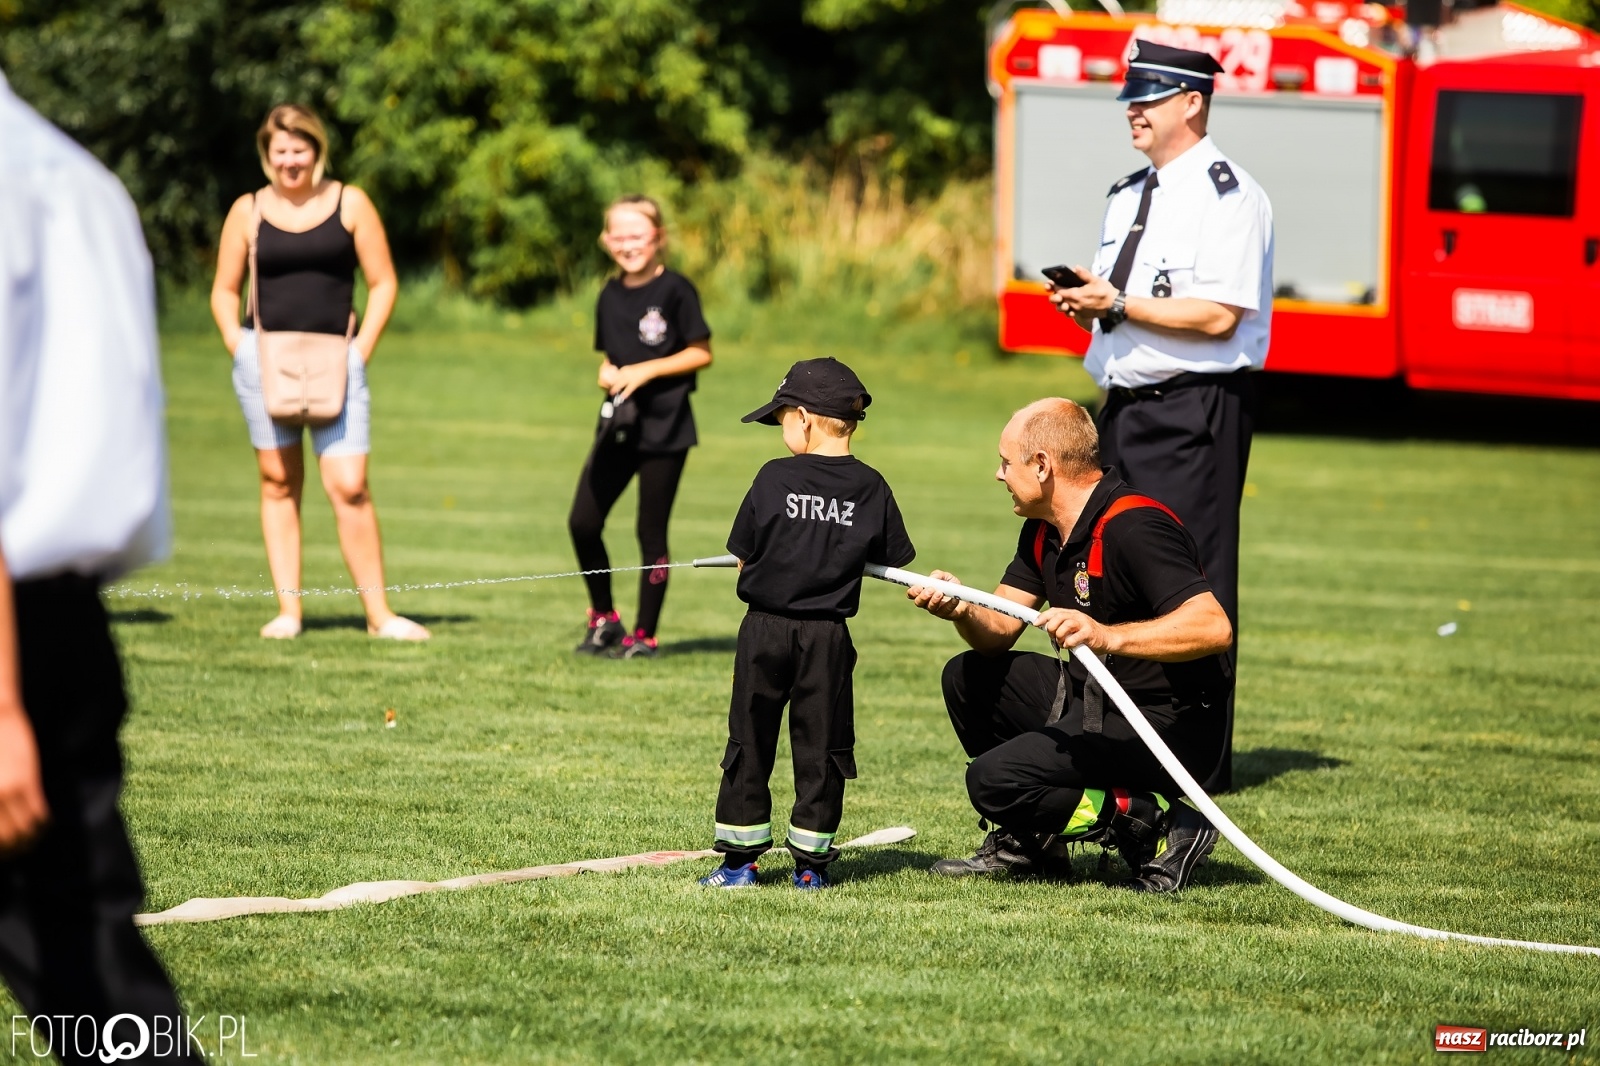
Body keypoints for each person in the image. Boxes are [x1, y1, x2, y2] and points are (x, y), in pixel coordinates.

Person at [0, 72, 201, 1062]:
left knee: (93, 993)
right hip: (58, 626)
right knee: (90, 980)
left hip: (16, 636)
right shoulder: (79, 181)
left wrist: (2, 712)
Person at [1049, 41, 1274, 792]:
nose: (1133, 111)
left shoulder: (1229, 195)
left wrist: (1114, 302)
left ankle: (1200, 762)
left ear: (1193, 103)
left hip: (1193, 408)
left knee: (1192, 577)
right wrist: (1091, 299)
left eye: (1149, 98)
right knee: (1113, 569)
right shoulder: (1128, 191)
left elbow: (1217, 314)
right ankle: (1131, 742)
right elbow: (1135, 302)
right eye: (1130, 99)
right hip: (1124, 406)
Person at [907, 399, 1232, 892]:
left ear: (1042, 465)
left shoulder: (1135, 525)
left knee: (994, 782)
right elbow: (998, 631)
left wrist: (1108, 635)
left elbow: (1213, 627)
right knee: (968, 676)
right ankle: (1036, 841)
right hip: (1097, 701)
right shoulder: (1043, 529)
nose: (998, 475)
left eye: (1005, 462)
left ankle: (1162, 820)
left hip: (1166, 725)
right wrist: (963, 609)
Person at [210, 104, 428, 641]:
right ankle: (289, 613)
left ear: (317, 149)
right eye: (280, 150)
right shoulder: (248, 210)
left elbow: (383, 282)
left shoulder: (350, 203)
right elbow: (223, 289)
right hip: (265, 364)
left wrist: (361, 351)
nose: (290, 160)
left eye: (300, 148)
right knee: (279, 482)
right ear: (267, 155)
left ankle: (380, 617)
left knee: (350, 485)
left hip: (339, 364)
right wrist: (239, 345)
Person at [700, 359, 915, 890]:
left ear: (804, 418)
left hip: (764, 631)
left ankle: (739, 864)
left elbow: (744, 555)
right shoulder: (872, 487)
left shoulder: (774, 477)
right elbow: (891, 558)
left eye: (780, 421)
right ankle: (810, 868)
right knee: (823, 745)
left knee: (749, 739)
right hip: (828, 639)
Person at [568, 195, 712, 659]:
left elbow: (700, 351)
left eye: (637, 235)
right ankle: (604, 619)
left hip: (666, 427)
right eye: (618, 236)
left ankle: (644, 636)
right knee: (583, 522)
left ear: (658, 238)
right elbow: (610, 359)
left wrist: (645, 370)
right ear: (606, 240)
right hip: (619, 425)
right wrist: (608, 374)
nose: (627, 244)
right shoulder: (608, 295)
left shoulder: (676, 291)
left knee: (650, 532)